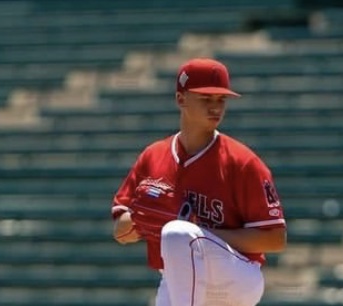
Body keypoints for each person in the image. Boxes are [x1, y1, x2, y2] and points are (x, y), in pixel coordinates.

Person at [111, 57, 287, 306]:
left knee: (177, 232)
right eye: (206, 99)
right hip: (177, 278)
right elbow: (120, 232)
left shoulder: (242, 162)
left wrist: (197, 234)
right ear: (180, 99)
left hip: (235, 275)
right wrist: (141, 220)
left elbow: (275, 239)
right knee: (176, 234)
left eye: (221, 100)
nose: (215, 107)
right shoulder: (153, 156)